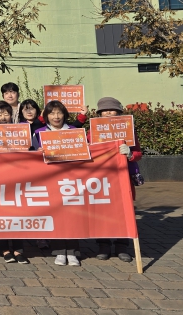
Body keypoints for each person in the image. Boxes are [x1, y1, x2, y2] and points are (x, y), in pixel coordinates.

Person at [92, 97, 141, 263]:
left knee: (124, 212)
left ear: (119, 113)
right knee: (102, 212)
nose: (108, 113)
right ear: (99, 114)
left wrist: (130, 153)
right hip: (101, 179)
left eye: (112, 110)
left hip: (122, 177)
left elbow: (138, 153)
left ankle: (122, 246)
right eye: (104, 111)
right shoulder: (93, 131)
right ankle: (103, 246)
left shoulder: (128, 130)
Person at [33, 100, 81, 266]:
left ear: (65, 114)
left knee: (72, 216)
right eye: (52, 113)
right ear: (46, 116)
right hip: (50, 180)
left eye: (59, 112)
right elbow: (31, 157)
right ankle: (60, 251)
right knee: (56, 216)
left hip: (71, 180)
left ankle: (73, 252)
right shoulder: (38, 133)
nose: (56, 116)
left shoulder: (74, 131)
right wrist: (37, 153)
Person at [0, 101, 30, 264]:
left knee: (17, 213)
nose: (3, 117)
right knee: (1, 214)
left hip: (17, 178)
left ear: (11, 115)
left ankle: (19, 249)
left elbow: (30, 149)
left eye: (6, 114)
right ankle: (4, 248)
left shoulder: (20, 131)